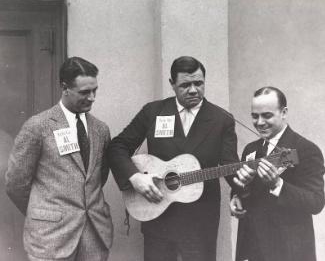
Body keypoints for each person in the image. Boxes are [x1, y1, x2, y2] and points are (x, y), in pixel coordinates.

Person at [108, 56, 239, 261]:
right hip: (158, 216)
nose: (194, 90)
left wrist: (242, 186)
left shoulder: (222, 119)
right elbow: (117, 147)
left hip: (200, 221)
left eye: (199, 83)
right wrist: (135, 177)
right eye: (185, 85)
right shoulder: (153, 112)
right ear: (172, 84)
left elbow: (231, 165)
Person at [5, 57, 113, 261]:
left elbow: (98, 177)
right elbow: (16, 183)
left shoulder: (101, 129)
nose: (92, 98)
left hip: (93, 236)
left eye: (94, 90)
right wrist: (45, 211)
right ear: (65, 88)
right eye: (84, 92)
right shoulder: (38, 126)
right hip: (50, 239)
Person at [230, 86, 325, 261]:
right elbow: (246, 193)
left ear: (284, 112)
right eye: (254, 116)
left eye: (267, 115)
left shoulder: (306, 149)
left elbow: (316, 202)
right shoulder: (251, 149)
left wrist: (277, 185)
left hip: (288, 251)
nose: (259, 122)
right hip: (252, 248)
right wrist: (238, 194)